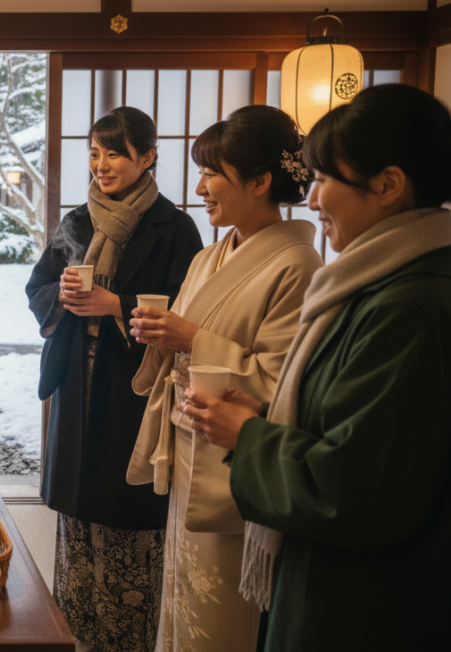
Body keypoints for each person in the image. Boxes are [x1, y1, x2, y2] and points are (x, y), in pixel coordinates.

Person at [183, 84, 451, 652]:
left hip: (368, 601)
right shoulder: (373, 284)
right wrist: (266, 416)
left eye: (325, 180)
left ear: (388, 186)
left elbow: (355, 489)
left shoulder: (412, 307)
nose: (311, 200)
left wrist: (249, 436)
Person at [125, 105, 323, 652]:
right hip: (190, 442)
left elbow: (282, 381)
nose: (200, 186)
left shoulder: (298, 266)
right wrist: (161, 339)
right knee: (182, 594)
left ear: (260, 181)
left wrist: (190, 339)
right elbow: (183, 341)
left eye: (213, 173)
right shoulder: (209, 257)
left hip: (235, 458)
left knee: (221, 614)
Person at [26, 106, 203, 652]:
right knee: (78, 518)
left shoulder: (175, 228)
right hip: (77, 386)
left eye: (115, 154)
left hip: (134, 392)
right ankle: (76, 635)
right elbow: (38, 286)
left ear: (148, 157)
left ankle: (127, 638)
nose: (101, 164)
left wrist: (113, 304)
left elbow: (188, 309)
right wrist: (59, 297)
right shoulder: (77, 221)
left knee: (129, 514)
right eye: (95, 153)